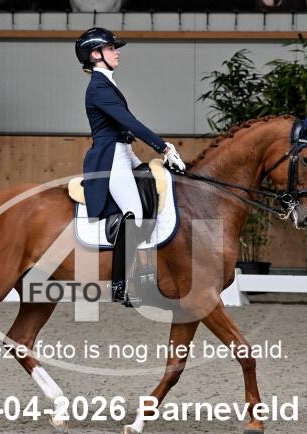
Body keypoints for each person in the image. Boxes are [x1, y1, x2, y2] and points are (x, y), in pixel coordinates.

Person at [75, 27, 186, 306]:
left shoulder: (107, 84)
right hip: (110, 156)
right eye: (111, 48)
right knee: (134, 213)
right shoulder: (98, 88)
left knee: (155, 188)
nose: (117, 53)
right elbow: (129, 122)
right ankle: (122, 284)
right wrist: (164, 148)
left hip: (124, 151)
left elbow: (125, 126)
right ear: (95, 55)